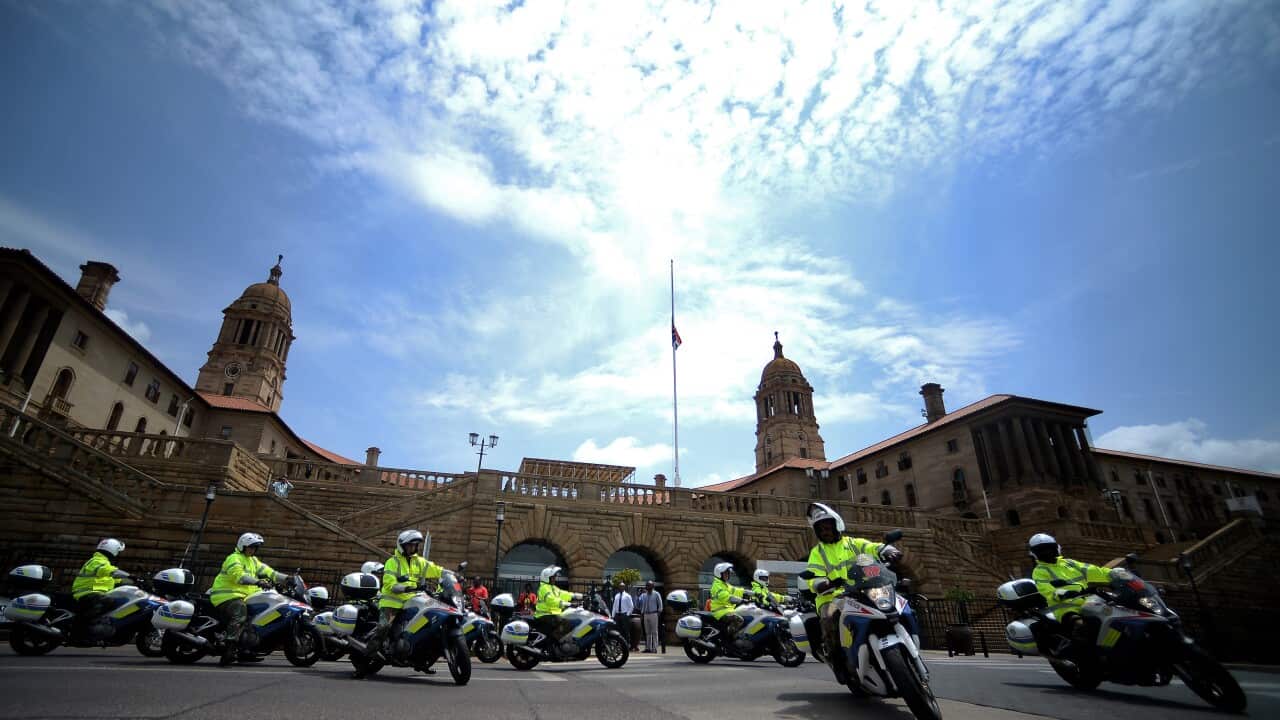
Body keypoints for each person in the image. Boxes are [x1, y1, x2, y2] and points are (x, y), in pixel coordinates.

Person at [804, 503, 900, 664]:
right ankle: (837, 660)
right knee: (829, 618)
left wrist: (888, 550)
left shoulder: (854, 543)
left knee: (897, 602)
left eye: (827, 528)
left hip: (861, 591)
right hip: (833, 598)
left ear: (837, 526)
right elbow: (814, 576)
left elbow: (872, 547)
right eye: (821, 530)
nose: (824, 532)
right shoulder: (817, 552)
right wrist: (822, 583)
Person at [361, 528, 442, 675]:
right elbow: (390, 584)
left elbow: (435, 569)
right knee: (383, 628)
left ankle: (422, 660)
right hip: (392, 603)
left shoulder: (419, 562)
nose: (413, 548)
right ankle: (364, 663)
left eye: (415, 545)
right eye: (410, 545)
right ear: (402, 545)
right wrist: (406, 587)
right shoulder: (393, 562)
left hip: (412, 601)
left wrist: (451, 574)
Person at [208, 532, 288, 666]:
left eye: (255, 548)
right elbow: (238, 576)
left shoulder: (253, 561)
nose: (252, 550)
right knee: (240, 612)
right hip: (227, 596)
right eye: (250, 547)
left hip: (245, 596)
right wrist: (258, 582)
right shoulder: (234, 559)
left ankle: (246, 649)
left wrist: (287, 578)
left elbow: (270, 572)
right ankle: (229, 649)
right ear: (242, 546)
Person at [1028, 533, 1111, 658]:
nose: (1047, 552)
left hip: (1090, 602)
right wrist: (1062, 593)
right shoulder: (1039, 571)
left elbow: (1095, 570)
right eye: (1041, 550)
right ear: (1035, 553)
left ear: (1056, 548)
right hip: (1065, 608)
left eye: (1049, 548)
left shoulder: (1070, 563)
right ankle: (1084, 661)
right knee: (1081, 626)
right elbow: (1046, 590)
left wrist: (1116, 574)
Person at [72, 538, 131, 634]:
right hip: (86, 593)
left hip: (92, 593)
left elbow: (111, 578)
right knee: (111, 601)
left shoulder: (101, 562)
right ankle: (86, 627)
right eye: (118, 551)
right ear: (113, 550)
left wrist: (130, 582)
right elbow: (108, 570)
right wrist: (130, 575)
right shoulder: (97, 561)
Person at [533, 565, 581, 644]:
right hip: (544, 614)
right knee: (567, 623)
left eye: (554, 577)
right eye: (553, 577)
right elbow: (552, 600)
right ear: (547, 577)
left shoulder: (553, 588)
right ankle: (554, 643)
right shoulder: (544, 588)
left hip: (553, 614)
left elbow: (563, 594)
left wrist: (577, 595)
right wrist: (567, 604)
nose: (554, 579)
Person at [709, 562, 752, 643]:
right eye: (725, 573)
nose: (727, 575)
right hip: (720, 612)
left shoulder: (725, 585)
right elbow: (727, 597)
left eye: (728, 573)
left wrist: (751, 593)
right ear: (719, 574)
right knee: (738, 620)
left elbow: (737, 590)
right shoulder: (717, 585)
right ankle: (726, 640)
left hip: (728, 610)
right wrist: (742, 600)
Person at [636, 580, 663, 653]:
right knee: (647, 632)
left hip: (653, 613)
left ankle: (654, 648)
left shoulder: (656, 594)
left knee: (654, 632)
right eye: (646, 585)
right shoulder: (644, 595)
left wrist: (659, 612)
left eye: (648, 585)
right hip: (646, 614)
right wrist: (642, 614)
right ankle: (648, 648)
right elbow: (641, 605)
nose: (647, 587)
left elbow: (660, 604)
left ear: (652, 586)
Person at [610, 580, 634, 649]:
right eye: (620, 586)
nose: (621, 588)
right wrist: (613, 615)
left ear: (624, 587)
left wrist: (627, 614)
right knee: (618, 630)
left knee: (625, 630)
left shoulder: (627, 596)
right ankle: (618, 645)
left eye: (622, 586)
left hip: (624, 615)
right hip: (617, 615)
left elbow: (631, 606)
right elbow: (614, 606)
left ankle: (627, 645)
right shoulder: (616, 596)